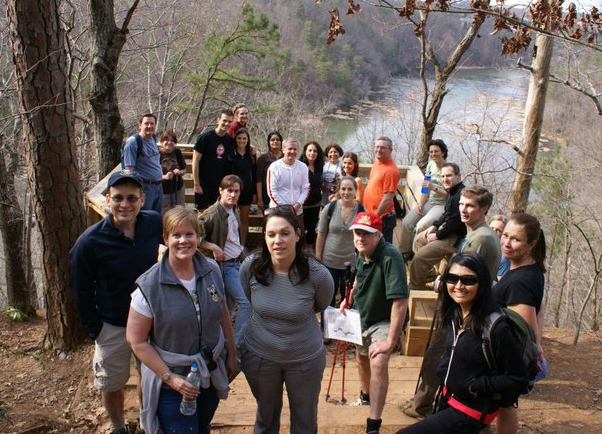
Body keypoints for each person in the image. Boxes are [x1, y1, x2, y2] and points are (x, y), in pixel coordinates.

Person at [126, 207, 236, 434]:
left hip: (209, 371)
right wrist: (170, 378)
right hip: (172, 382)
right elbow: (136, 341)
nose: (183, 241)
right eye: (176, 235)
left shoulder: (211, 270)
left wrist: (231, 354)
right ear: (166, 239)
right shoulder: (149, 286)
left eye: (189, 234)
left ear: (198, 237)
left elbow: (223, 313)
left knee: (202, 426)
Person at [70, 170, 162, 434]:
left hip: (149, 322)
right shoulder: (89, 242)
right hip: (112, 324)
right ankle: (119, 426)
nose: (125, 204)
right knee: (111, 382)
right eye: (118, 198)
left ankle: (146, 422)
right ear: (107, 199)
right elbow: (81, 290)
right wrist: (95, 329)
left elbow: (179, 241)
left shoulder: (152, 223)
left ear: (142, 200)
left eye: (132, 198)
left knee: (149, 375)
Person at [396, 252, 529, 434]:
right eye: (452, 278)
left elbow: (517, 378)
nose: (459, 286)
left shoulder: (495, 327)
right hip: (448, 400)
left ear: (481, 283)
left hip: (471, 412)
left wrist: (476, 385)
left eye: (468, 280)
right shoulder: (456, 314)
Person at [402, 185, 500, 419]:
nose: (464, 210)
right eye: (461, 205)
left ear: (485, 209)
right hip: (462, 307)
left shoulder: (482, 238)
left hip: (464, 310)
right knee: (442, 356)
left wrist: (445, 281)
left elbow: (468, 276)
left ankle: (422, 406)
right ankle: (425, 401)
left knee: (438, 355)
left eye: (471, 206)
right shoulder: (474, 234)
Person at [239, 206, 334, 434]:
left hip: (304, 360)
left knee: (304, 421)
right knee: (265, 419)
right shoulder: (250, 267)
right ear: (264, 236)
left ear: (298, 235)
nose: (277, 240)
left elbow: (320, 305)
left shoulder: (318, 275)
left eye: (285, 233)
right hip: (260, 357)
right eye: (271, 234)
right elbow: (251, 300)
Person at [341, 211, 409, 434]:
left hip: (385, 317)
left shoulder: (390, 257)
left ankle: (373, 424)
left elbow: (400, 301)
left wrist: (390, 341)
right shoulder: (361, 251)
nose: (361, 237)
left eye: (367, 234)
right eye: (357, 232)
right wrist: (347, 299)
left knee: (378, 359)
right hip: (363, 313)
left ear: (379, 235)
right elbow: (360, 277)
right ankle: (365, 395)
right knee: (361, 357)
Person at [493, 213, 547, 434]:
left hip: (505, 360)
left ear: (531, 245)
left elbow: (522, 330)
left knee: (504, 405)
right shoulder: (529, 269)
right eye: (505, 235)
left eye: (515, 239)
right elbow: (539, 310)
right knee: (505, 406)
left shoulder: (521, 282)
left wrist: (534, 348)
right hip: (506, 360)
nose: (506, 243)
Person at [198, 175, 251, 349]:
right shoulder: (212, 214)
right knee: (246, 303)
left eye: (236, 191)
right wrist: (212, 246)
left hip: (237, 262)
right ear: (221, 191)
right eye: (229, 191)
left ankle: (222, 342)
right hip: (226, 267)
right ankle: (236, 344)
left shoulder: (233, 209)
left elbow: (234, 239)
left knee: (226, 307)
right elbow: (196, 238)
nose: (233, 195)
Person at [409, 163, 466, 292]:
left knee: (418, 259)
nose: (445, 179)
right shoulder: (453, 191)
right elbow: (446, 213)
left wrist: (437, 235)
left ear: (458, 176)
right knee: (419, 240)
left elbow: (454, 222)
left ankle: (415, 289)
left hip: (455, 239)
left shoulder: (460, 195)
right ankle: (428, 275)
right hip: (447, 232)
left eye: (449, 175)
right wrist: (434, 226)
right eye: (443, 176)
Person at [316, 176, 364, 306]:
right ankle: (326, 326)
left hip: (350, 263)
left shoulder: (361, 211)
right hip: (329, 261)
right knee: (327, 299)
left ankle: (345, 326)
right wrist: (318, 258)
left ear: (355, 191)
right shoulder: (329, 208)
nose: (346, 192)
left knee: (347, 300)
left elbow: (365, 237)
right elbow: (321, 234)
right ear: (339, 190)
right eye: (343, 189)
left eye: (350, 189)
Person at [399, 139, 448, 261]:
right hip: (429, 202)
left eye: (436, 151)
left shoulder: (448, 169)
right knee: (406, 223)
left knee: (420, 227)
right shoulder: (430, 165)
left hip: (442, 205)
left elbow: (449, 195)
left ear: (443, 153)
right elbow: (425, 187)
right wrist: (421, 203)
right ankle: (405, 252)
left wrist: (434, 187)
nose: (433, 154)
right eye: (431, 152)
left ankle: (418, 258)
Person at [192, 109, 234, 211]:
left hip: (219, 186)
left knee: (217, 216)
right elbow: (195, 161)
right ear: (218, 120)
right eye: (224, 120)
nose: (227, 123)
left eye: (229, 121)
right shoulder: (205, 138)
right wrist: (196, 184)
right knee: (202, 216)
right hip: (203, 184)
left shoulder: (229, 140)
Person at [266, 138, 310, 234]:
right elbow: (271, 190)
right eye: (290, 149)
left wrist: (297, 205)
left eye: (295, 149)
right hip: (278, 211)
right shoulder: (274, 167)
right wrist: (285, 209)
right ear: (283, 149)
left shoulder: (303, 167)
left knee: (298, 236)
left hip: (297, 211)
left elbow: (305, 188)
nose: (292, 151)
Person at [123, 113, 163, 213]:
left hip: (158, 186)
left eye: (152, 124)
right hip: (145, 187)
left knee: (156, 218)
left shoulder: (153, 138)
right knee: (144, 218)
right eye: (146, 123)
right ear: (140, 125)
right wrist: (133, 193)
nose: (149, 126)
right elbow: (129, 170)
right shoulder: (133, 142)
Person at [362, 136, 400, 243]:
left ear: (390, 150)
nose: (378, 150)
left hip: (382, 218)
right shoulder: (378, 162)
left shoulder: (390, 171)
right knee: (370, 245)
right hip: (372, 214)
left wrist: (375, 217)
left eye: (383, 148)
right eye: (377, 147)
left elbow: (387, 199)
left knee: (382, 250)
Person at [226, 128, 256, 245]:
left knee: (244, 220)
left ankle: (242, 245)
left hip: (247, 191)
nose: (242, 141)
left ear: (248, 140)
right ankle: (231, 244)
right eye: (239, 138)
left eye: (244, 138)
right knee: (230, 219)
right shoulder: (230, 155)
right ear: (235, 139)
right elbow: (227, 175)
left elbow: (253, 174)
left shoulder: (251, 155)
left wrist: (254, 193)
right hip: (233, 191)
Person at [300, 141, 324, 246]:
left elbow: (318, 183)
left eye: (315, 151)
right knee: (300, 228)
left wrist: (326, 187)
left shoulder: (320, 167)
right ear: (305, 152)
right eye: (310, 150)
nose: (312, 153)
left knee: (312, 228)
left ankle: (309, 250)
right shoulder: (300, 166)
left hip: (316, 203)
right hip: (302, 204)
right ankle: (299, 251)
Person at [159, 129, 187, 214]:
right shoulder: (157, 154)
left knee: (179, 212)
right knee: (164, 213)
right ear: (162, 141)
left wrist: (179, 172)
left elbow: (184, 169)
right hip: (163, 189)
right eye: (166, 140)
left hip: (178, 187)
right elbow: (153, 174)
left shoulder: (177, 152)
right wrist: (165, 177)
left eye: (172, 140)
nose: (169, 143)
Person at [256, 130, 283, 212]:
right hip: (266, 195)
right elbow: (259, 179)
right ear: (269, 142)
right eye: (272, 140)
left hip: (283, 194)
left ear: (281, 142)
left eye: (278, 140)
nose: (275, 141)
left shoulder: (285, 157)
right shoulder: (263, 158)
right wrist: (260, 198)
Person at [488, 214, 511, 281]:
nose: (493, 231)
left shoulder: (504, 257)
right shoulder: (481, 245)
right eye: (491, 228)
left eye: (498, 230)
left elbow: (499, 284)